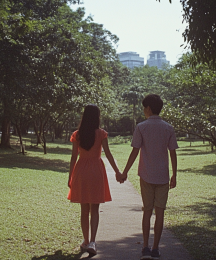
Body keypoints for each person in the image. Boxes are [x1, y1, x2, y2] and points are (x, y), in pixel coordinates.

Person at [119, 94, 179, 260]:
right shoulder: (168, 127)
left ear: (149, 109)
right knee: (160, 213)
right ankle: (156, 248)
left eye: (144, 108)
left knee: (147, 211)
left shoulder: (141, 127)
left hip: (146, 175)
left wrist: (124, 172)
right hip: (163, 176)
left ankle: (145, 246)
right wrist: (175, 173)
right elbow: (172, 152)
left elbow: (134, 151)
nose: (143, 110)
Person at [67, 104, 121, 255]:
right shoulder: (101, 133)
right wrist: (117, 172)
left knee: (84, 209)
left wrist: (70, 176)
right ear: (97, 117)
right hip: (96, 171)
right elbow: (108, 154)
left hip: (81, 171)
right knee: (95, 209)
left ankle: (85, 241)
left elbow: (73, 157)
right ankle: (92, 241)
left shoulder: (77, 134)